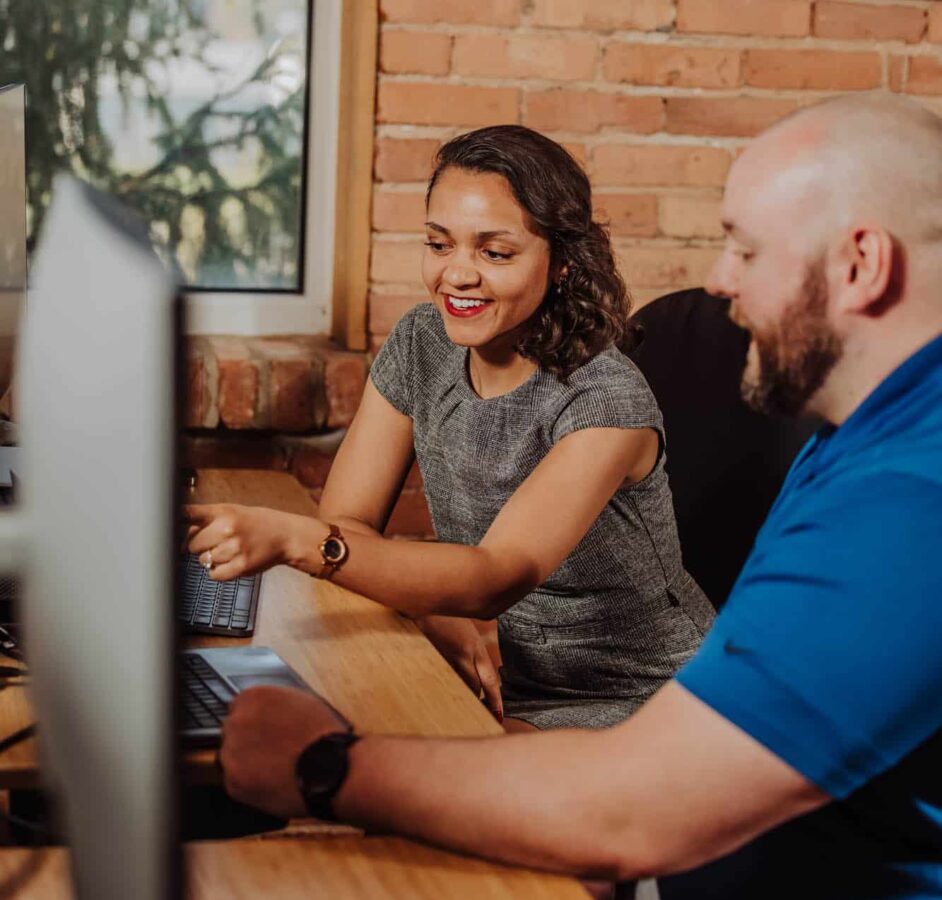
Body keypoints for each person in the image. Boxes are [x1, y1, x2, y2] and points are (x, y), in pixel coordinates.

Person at [211, 93, 942, 899]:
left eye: (746, 251)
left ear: (861, 265)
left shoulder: (907, 501)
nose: (715, 283)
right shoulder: (856, 441)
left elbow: (637, 809)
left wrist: (323, 765)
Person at [186, 125, 713, 732]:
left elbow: (495, 575)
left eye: (495, 253)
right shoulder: (422, 343)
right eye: (440, 245)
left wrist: (296, 542)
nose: (457, 276)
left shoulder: (605, 400)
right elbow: (350, 522)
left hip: (655, 703)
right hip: (513, 686)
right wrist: (433, 611)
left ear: (562, 262)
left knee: (398, 765)